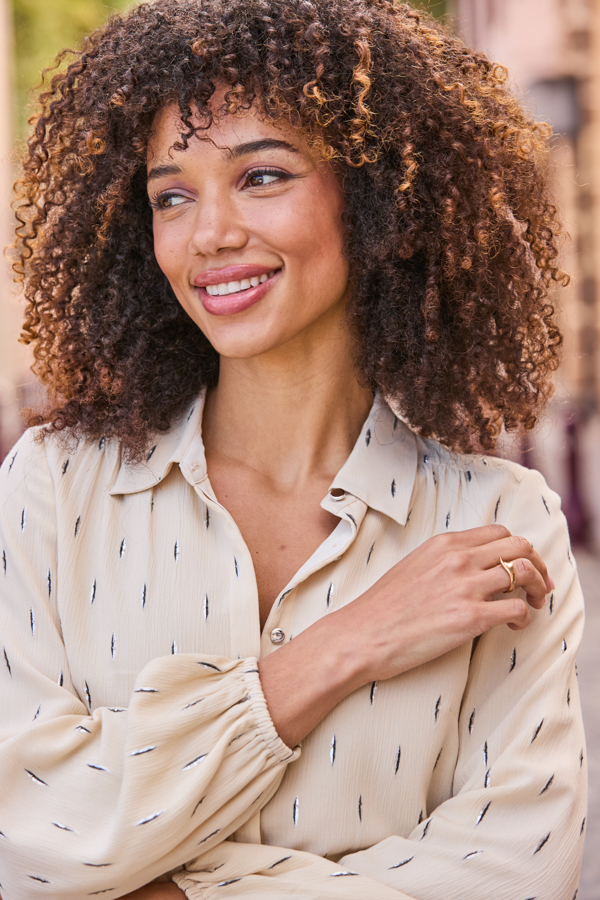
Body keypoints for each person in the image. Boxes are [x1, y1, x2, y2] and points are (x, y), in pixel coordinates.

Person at [0, 0, 586, 898]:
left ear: (378, 196)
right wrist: (348, 643)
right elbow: (26, 834)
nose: (209, 234)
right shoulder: (54, 490)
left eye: (262, 176)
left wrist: (165, 887)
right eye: (171, 195)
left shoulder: (501, 527)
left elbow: (517, 873)